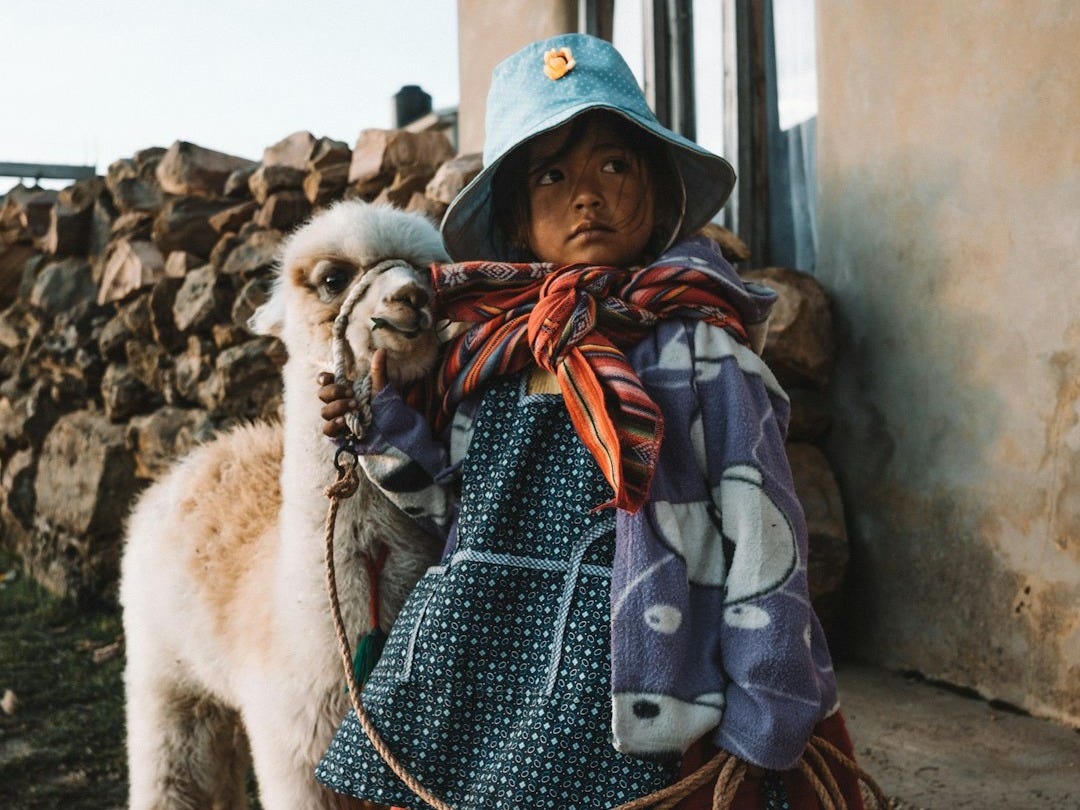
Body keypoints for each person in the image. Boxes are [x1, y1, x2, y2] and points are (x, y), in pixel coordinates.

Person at [315, 33, 870, 810]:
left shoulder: (702, 354)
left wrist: (763, 712)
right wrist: (379, 430)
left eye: (614, 166)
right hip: (483, 659)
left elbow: (765, 539)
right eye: (552, 175)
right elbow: (453, 509)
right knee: (367, 780)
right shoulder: (491, 357)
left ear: (656, 192)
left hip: (623, 676)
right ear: (516, 217)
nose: (587, 195)